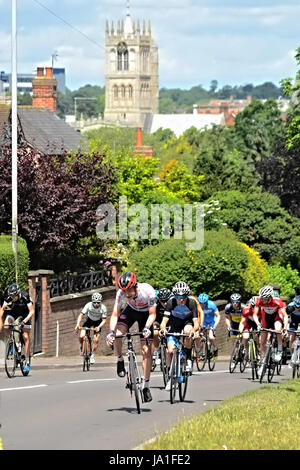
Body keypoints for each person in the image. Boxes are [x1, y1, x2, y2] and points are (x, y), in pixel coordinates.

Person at [106, 271, 157, 403]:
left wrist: (146, 328)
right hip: (131, 311)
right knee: (118, 334)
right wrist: (111, 332)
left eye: (129, 291)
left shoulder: (148, 291)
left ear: (135, 286)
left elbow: (152, 314)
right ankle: (119, 360)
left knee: (146, 350)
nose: (127, 294)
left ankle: (146, 386)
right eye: (124, 291)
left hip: (146, 315)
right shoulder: (121, 294)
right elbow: (115, 314)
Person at [159, 281, 199, 390]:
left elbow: (196, 323)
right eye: (178, 297)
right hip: (174, 324)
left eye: (183, 297)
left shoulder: (191, 303)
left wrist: (193, 331)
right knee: (171, 351)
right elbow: (164, 322)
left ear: (187, 295)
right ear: (174, 296)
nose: (181, 299)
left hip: (187, 322)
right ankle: (170, 376)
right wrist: (162, 329)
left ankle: (188, 356)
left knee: (187, 332)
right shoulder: (171, 302)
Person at [0, 283, 35, 372]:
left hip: (25, 314)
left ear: (18, 293)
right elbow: (3, 309)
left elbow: (32, 311)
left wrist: (24, 322)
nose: (13, 298)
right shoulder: (8, 297)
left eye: (14, 296)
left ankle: (27, 362)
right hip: (14, 312)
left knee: (26, 337)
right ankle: (12, 343)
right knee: (7, 326)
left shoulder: (25, 296)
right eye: (11, 296)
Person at [252, 286, 289, 369]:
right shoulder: (259, 301)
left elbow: (285, 316)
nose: (263, 300)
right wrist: (258, 324)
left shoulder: (277, 301)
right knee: (262, 341)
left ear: (270, 297)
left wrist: (285, 328)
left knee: (277, 329)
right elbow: (254, 315)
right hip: (265, 318)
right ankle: (262, 360)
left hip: (276, 317)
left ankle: (279, 348)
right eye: (262, 298)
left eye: (265, 298)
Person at [75, 292, 107, 364]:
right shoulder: (88, 305)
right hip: (89, 321)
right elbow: (81, 315)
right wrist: (77, 324)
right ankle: (81, 346)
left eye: (98, 303)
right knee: (81, 335)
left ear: (100, 302)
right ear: (92, 301)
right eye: (94, 302)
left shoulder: (103, 308)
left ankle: (92, 355)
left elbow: (104, 320)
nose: (96, 304)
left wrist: (99, 327)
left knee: (96, 340)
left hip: (98, 323)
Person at [152, 288, 172, 365]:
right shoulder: (156, 304)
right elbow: (152, 315)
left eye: (167, 300)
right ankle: (157, 350)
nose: (165, 303)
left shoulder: (173, 303)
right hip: (158, 320)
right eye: (162, 301)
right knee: (155, 333)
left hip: (169, 321)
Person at [286, 295, 300, 367]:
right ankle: (292, 356)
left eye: (299, 307)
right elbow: (286, 316)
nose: (298, 309)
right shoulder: (290, 307)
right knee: (291, 338)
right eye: (296, 307)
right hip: (294, 320)